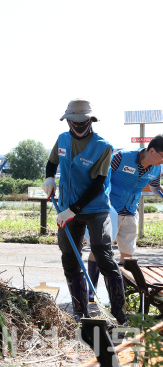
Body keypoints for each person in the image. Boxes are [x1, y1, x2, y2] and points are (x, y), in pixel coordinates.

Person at [41, 99, 126, 325]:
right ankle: (81, 312)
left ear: (91, 120)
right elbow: (51, 163)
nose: (78, 126)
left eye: (83, 121)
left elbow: (98, 184)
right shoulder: (62, 139)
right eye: (74, 121)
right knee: (70, 257)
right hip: (67, 208)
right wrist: (49, 178)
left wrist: (74, 210)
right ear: (67, 121)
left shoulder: (103, 146)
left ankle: (118, 314)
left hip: (95, 208)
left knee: (102, 253)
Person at [86, 135, 163, 302]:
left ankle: (124, 297)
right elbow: (101, 175)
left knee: (128, 256)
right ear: (151, 150)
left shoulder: (157, 168)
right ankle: (91, 290)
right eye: (162, 155)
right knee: (99, 250)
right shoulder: (121, 157)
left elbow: (155, 187)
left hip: (130, 211)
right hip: (109, 211)